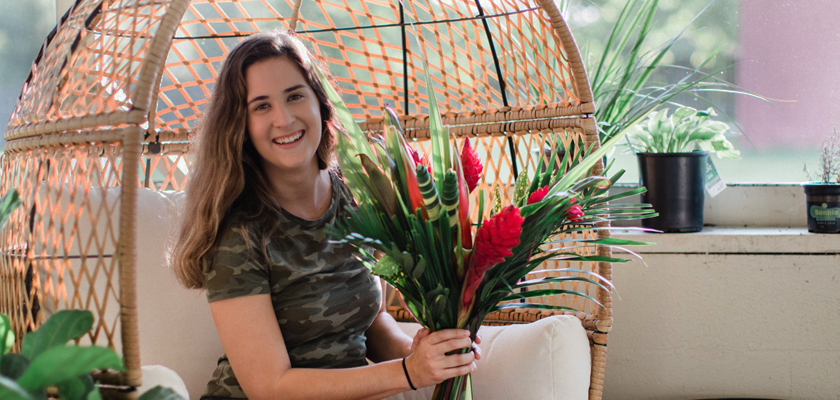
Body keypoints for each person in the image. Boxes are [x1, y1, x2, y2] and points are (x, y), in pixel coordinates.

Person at [169, 29, 479, 400]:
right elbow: (270, 386)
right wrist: (407, 373)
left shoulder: (356, 196)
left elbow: (371, 320)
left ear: (320, 104)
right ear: (241, 126)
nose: (284, 119)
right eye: (262, 106)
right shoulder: (240, 233)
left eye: (295, 96)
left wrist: (416, 353)